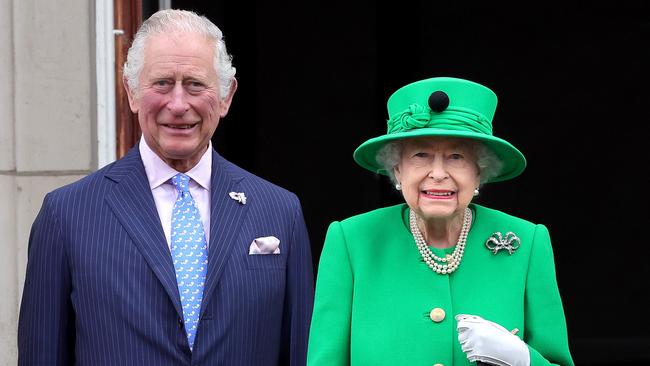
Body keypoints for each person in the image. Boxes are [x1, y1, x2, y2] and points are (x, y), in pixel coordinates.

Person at [18, 9, 314, 365]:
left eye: (195, 84)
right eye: (161, 83)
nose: (177, 104)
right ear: (131, 92)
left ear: (225, 96)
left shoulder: (280, 211)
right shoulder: (66, 215)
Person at [307, 77, 574, 365]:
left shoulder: (527, 243)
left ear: (480, 172)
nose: (437, 173)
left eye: (456, 156)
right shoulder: (351, 241)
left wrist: (522, 359)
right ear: (397, 170)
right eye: (421, 155)